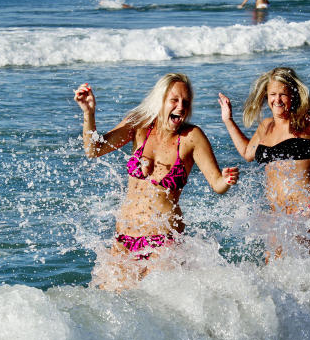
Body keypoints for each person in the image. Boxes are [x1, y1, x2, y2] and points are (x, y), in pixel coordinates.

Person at [74, 73, 239, 289]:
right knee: (110, 305)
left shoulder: (192, 137)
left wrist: (226, 179)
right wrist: (89, 113)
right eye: (174, 100)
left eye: (186, 102)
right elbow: (93, 149)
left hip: (164, 243)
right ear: (160, 101)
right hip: (125, 239)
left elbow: (217, 184)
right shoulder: (139, 125)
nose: (181, 107)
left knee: (154, 307)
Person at [219, 67, 310, 261]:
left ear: (293, 94)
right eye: (273, 94)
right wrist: (228, 120)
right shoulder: (265, 127)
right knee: (273, 267)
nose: (277, 100)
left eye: (283, 94)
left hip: (306, 209)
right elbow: (246, 153)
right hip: (277, 213)